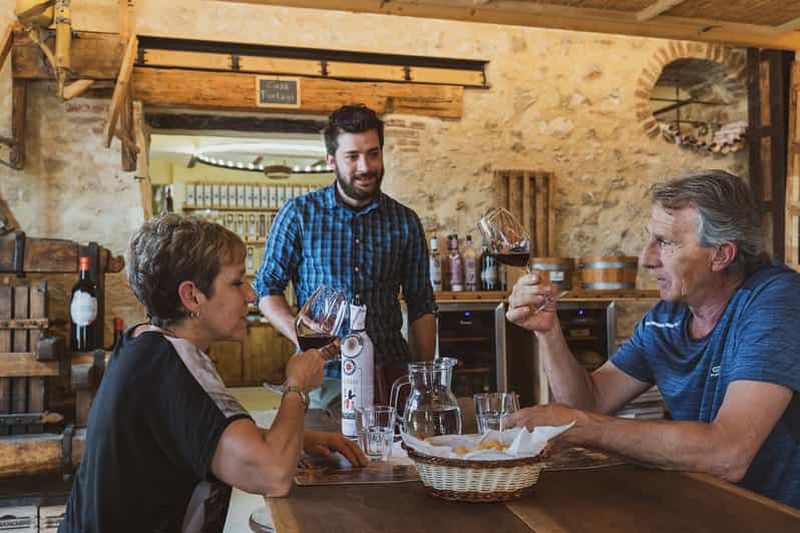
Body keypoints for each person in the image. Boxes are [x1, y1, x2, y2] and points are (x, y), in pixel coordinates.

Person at [505, 170, 800, 507]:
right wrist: (549, 331)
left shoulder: (778, 303)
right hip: (714, 508)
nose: (646, 258)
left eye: (666, 242)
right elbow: (589, 401)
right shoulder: (669, 318)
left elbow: (727, 453)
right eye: (649, 239)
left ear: (721, 255)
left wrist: (581, 427)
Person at [59, 214, 365, 533]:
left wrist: (299, 438)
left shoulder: (146, 345)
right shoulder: (174, 366)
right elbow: (272, 475)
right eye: (236, 282)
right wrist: (297, 386)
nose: (250, 295)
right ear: (192, 296)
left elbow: (200, 433)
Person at [256, 103, 436, 407]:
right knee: (323, 454)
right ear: (331, 160)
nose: (365, 167)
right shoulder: (298, 215)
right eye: (352, 156)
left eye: (373, 153)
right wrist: (302, 338)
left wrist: (425, 384)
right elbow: (266, 289)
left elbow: (421, 305)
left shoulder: (405, 221)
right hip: (322, 376)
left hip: (389, 374)